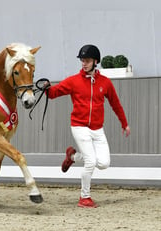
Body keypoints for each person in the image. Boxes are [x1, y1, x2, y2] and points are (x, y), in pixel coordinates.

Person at [44, 44, 131, 208]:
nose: (84, 63)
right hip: (79, 126)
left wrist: (124, 123)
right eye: (82, 60)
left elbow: (116, 104)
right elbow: (54, 93)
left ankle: (73, 157)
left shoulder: (105, 83)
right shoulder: (73, 81)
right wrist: (47, 88)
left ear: (95, 61)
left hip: (97, 129)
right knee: (90, 161)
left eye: (87, 60)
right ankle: (84, 197)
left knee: (103, 163)